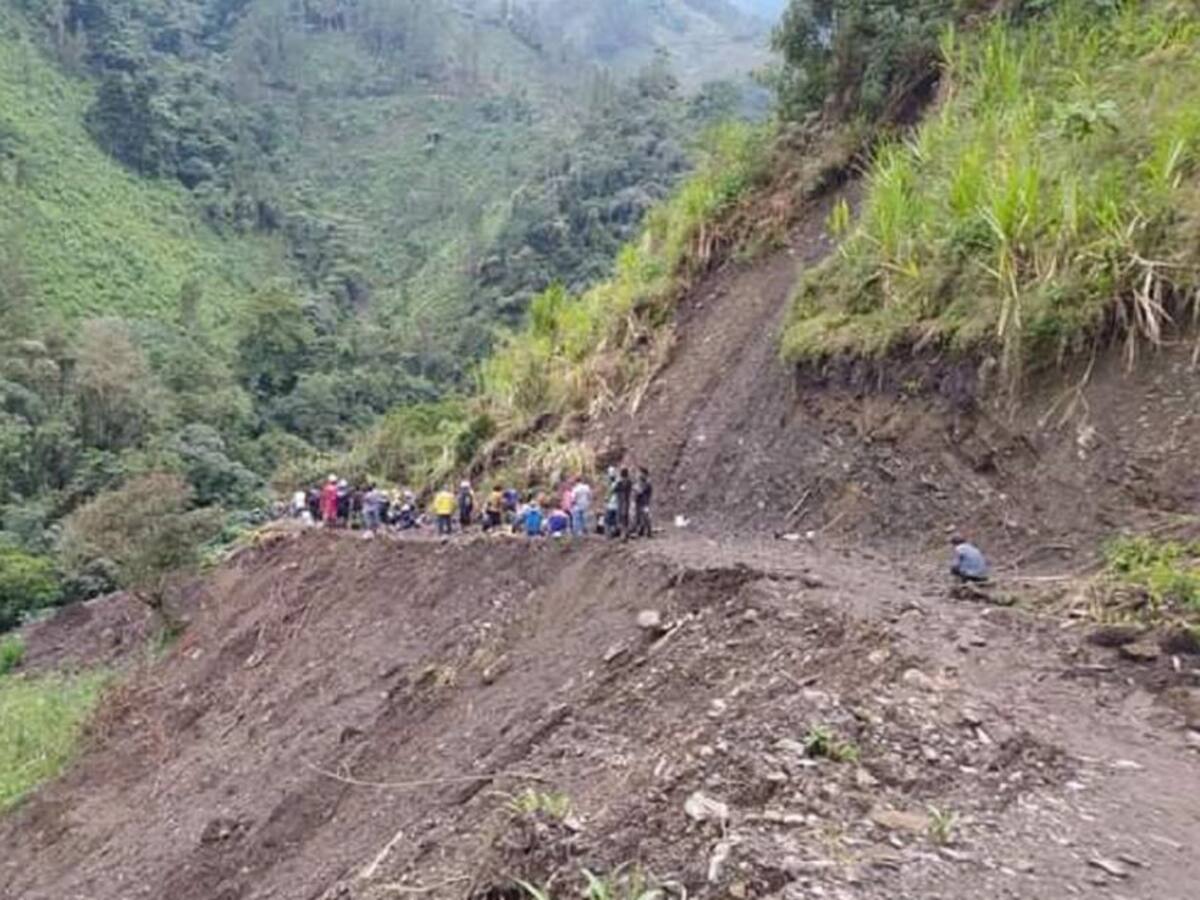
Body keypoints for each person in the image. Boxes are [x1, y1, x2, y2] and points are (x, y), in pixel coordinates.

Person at [633, 467, 653, 539]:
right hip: (640, 502)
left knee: (646, 517)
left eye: (640, 473)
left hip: (644, 502)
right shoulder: (642, 483)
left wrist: (635, 488)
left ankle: (648, 532)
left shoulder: (647, 483)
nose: (638, 475)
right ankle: (640, 531)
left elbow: (640, 491)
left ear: (644, 474)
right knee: (639, 517)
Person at [614, 467, 633, 541]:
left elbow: (614, 490)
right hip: (627, 501)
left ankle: (623, 534)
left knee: (621, 518)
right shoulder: (629, 482)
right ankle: (626, 533)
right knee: (626, 518)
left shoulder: (619, 482)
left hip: (621, 502)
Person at [604, 467, 619, 537]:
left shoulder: (614, 483)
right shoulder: (616, 482)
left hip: (612, 504)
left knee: (609, 519)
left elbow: (609, 493)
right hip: (615, 504)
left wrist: (606, 498)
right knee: (613, 520)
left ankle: (610, 533)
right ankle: (612, 532)